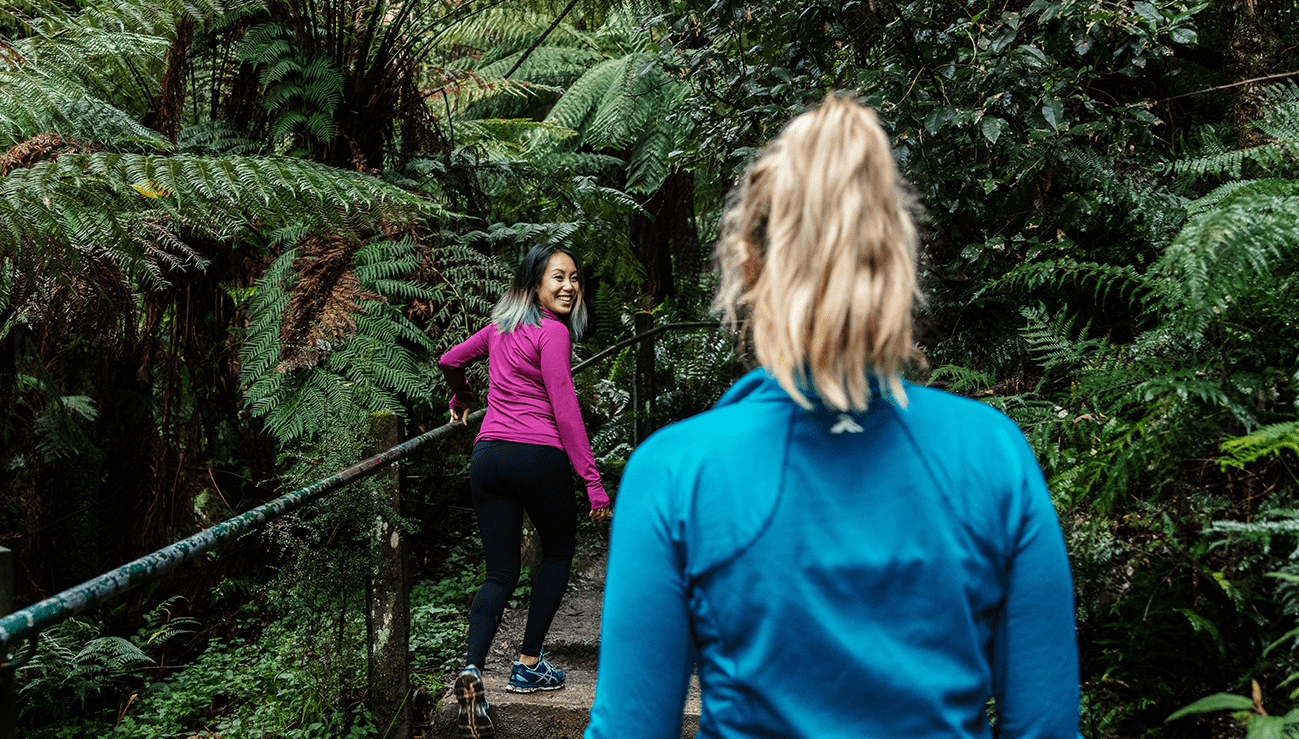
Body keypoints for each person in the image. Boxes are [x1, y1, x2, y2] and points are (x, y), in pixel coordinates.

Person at [584, 94, 1080, 739]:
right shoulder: (992, 454)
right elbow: (1044, 728)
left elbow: (630, 729)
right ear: (896, 257)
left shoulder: (677, 472)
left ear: (747, 263)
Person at [438, 243, 614, 737]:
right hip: (537, 454)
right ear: (534, 284)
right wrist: (593, 482)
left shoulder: (499, 330)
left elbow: (451, 359)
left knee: (499, 571)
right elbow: (564, 409)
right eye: (558, 277)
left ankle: (473, 668)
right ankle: (528, 664)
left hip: (488, 456)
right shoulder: (553, 334)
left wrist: (463, 397)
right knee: (558, 552)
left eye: (574, 277)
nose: (569, 286)